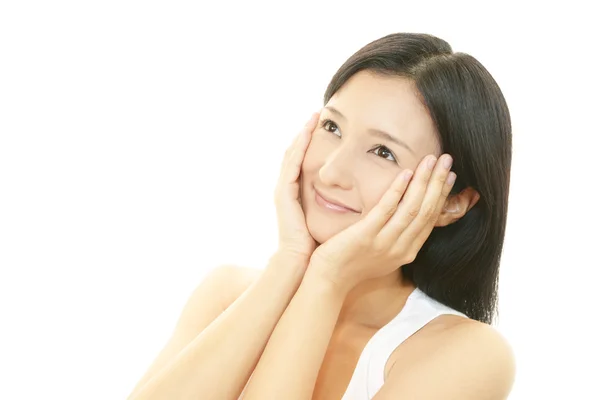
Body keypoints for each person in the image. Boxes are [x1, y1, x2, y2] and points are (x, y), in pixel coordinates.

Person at [127, 32, 515, 400]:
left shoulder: (465, 354)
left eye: (383, 152)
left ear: (452, 202)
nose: (330, 172)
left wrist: (327, 279)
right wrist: (290, 262)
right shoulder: (226, 295)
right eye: (332, 126)